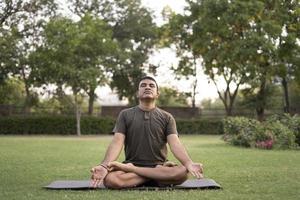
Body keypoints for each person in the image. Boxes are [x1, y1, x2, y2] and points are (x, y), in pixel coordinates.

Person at [90, 76, 204, 188]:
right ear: (138, 93)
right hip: (146, 167)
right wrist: (104, 166)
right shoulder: (125, 115)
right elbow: (117, 142)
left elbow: (175, 144)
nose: (147, 87)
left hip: (154, 166)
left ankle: (133, 170)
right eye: (143, 85)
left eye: (151, 86)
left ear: (157, 94)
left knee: (183, 172)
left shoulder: (167, 117)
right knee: (111, 180)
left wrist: (189, 163)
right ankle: (156, 175)